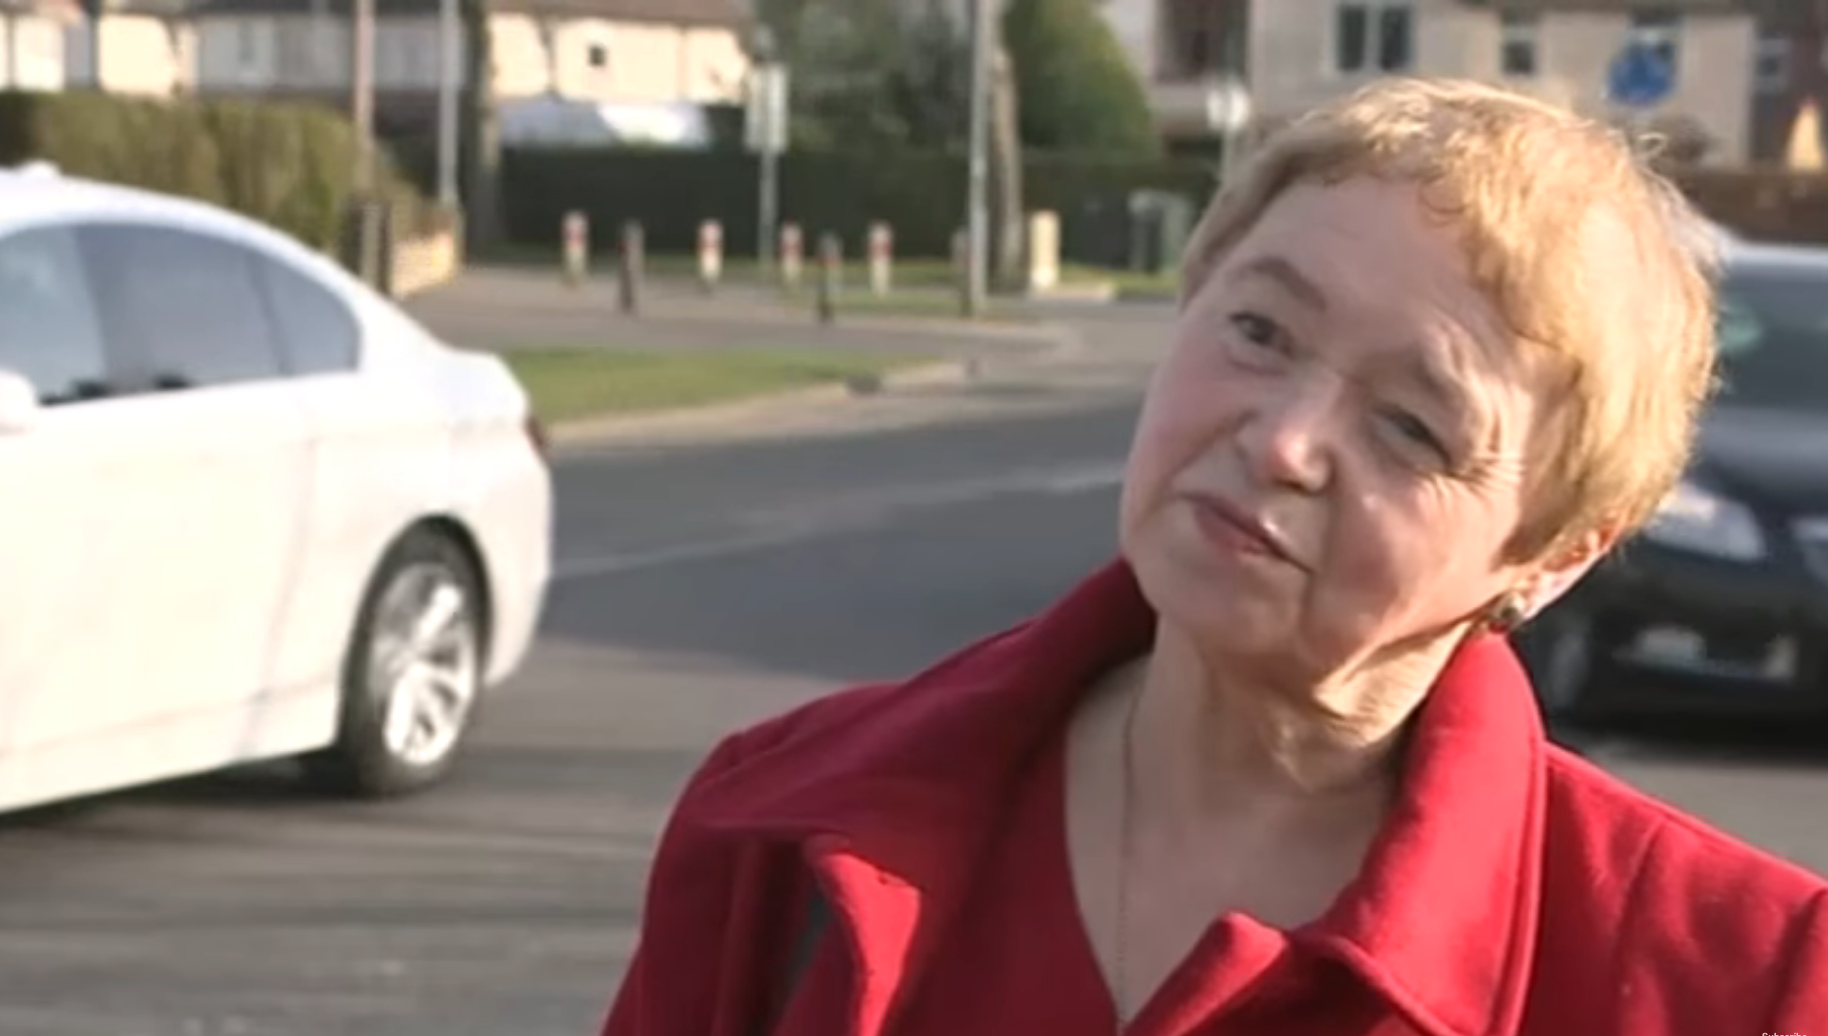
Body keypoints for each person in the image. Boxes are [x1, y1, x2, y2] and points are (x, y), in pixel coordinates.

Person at [601, 78, 1827, 1036]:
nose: (1285, 439)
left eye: (1410, 424)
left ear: (1555, 555)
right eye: (1258, 329)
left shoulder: (1736, 980)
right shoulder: (778, 828)